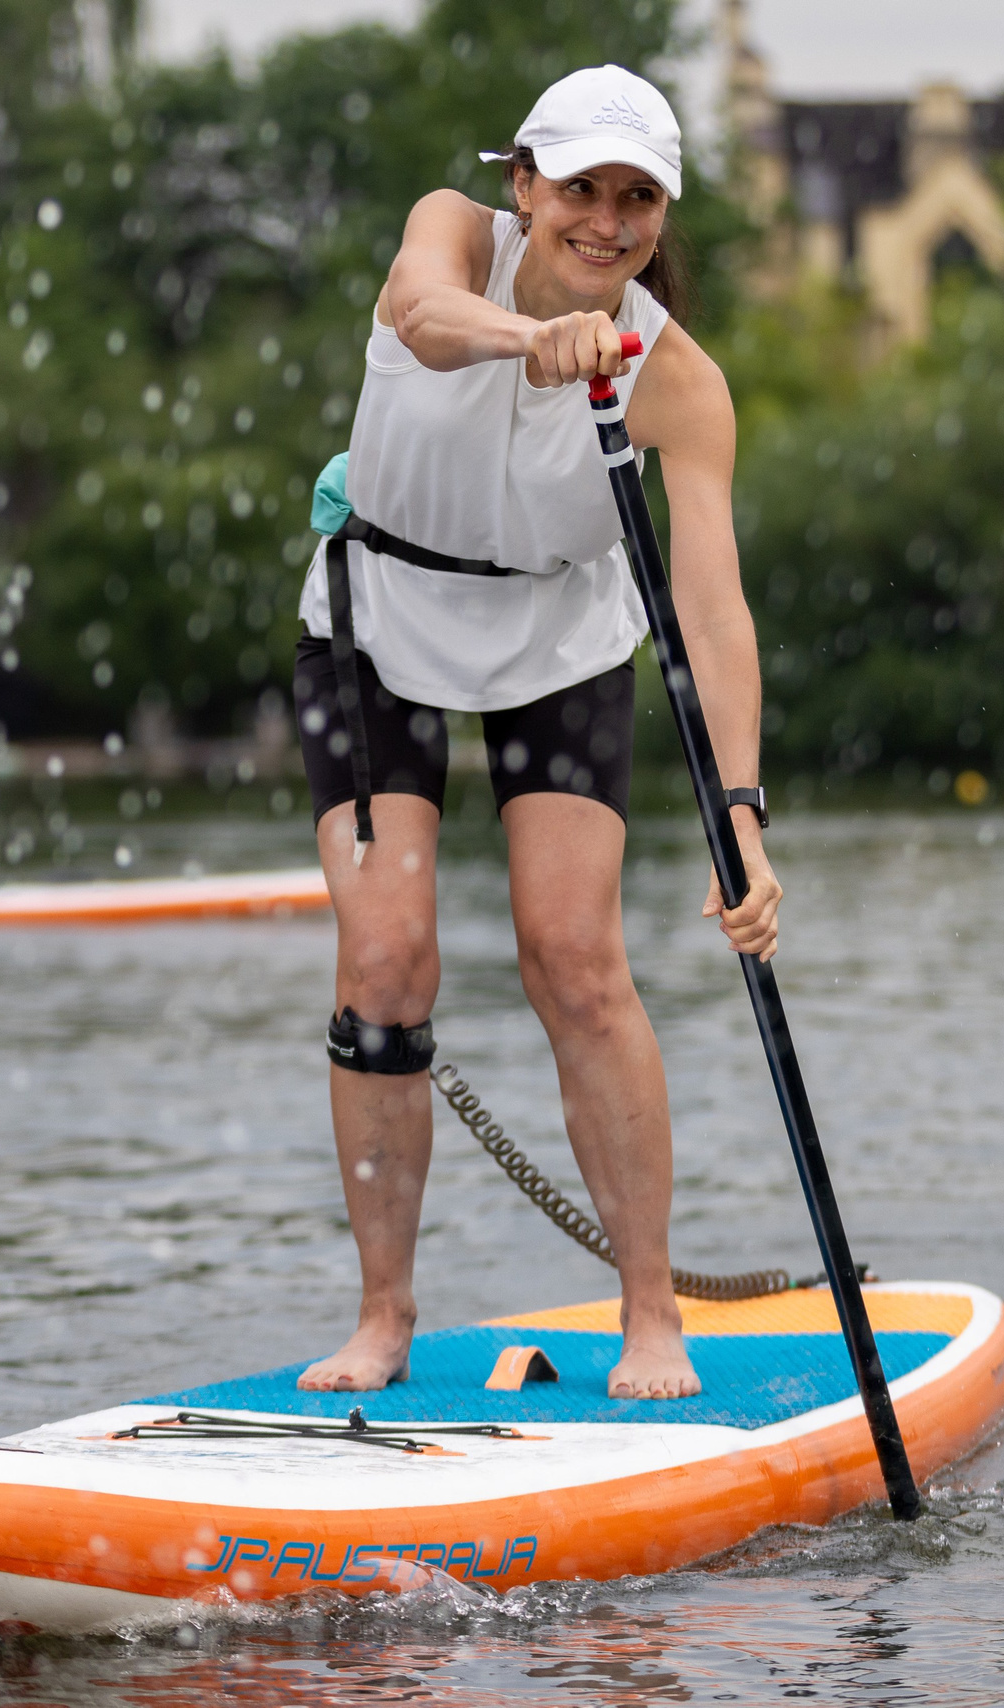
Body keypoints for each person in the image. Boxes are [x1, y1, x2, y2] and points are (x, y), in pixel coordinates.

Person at [291, 64, 776, 1402]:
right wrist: (535, 340)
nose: (606, 224)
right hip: (373, 618)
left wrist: (742, 816)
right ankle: (383, 1320)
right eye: (580, 190)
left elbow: (714, 609)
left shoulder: (682, 384)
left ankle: (652, 1322)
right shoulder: (453, 230)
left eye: (637, 200)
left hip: (557, 642)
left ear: (661, 217)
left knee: (575, 958)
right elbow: (421, 313)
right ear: (525, 184)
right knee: (386, 956)